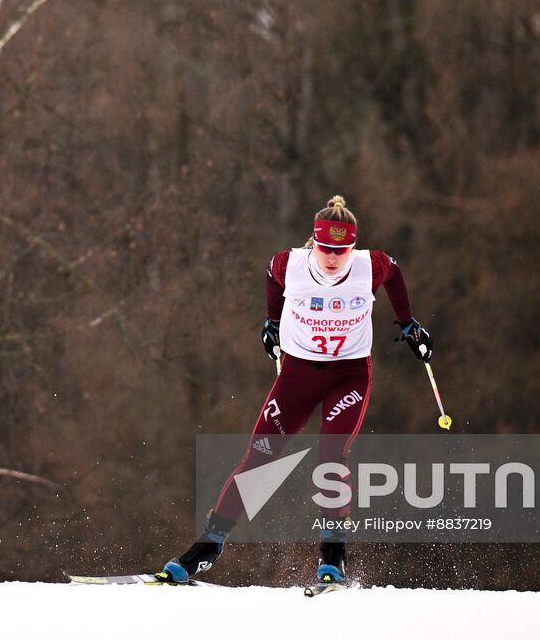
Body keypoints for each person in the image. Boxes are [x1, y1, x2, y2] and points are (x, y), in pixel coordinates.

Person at [159, 195, 432, 587]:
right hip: (297, 374)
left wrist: (407, 323)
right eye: (325, 248)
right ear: (314, 243)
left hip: (349, 376)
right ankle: (208, 546)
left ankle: (333, 558)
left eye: (342, 249)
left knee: (331, 456)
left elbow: (395, 273)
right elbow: (271, 273)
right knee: (259, 459)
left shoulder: (369, 265)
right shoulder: (291, 265)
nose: (333, 257)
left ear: (352, 246)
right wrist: (272, 321)